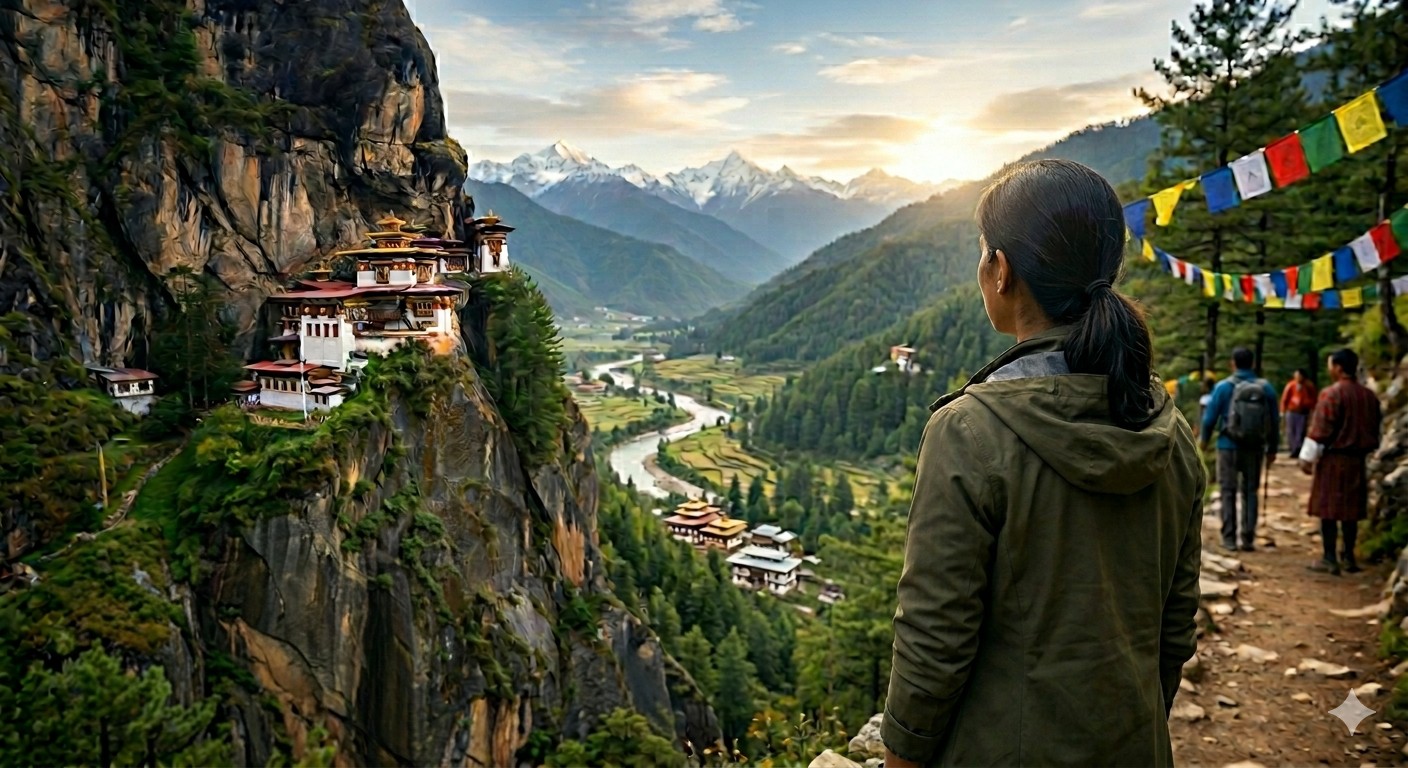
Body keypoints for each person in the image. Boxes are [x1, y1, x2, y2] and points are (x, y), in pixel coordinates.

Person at [882, 160, 1204, 767]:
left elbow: (933, 638)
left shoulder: (970, 432)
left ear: (1000, 270)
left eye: (983, 253)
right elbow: (1175, 629)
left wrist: (901, 757)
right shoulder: (1169, 430)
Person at [1302, 349, 1382, 575]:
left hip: (1334, 459)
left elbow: (1321, 429)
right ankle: (1348, 556)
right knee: (1351, 511)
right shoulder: (1369, 396)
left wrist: (1307, 458)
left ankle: (1329, 558)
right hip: (1357, 460)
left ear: (1338, 367)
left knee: (1329, 509)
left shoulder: (1332, 394)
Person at [1199, 348, 1279, 552]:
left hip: (1228, 446)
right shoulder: (1266, 388)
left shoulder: (1223, 387)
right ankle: (1248, 538)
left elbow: (1209, 419)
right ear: (1252, 363)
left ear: (1232, 363)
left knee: (1228, 491)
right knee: (1250, 491)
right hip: (1255, 447)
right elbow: (1274, 422)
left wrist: (1204, 442)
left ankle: (1229, 538)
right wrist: (1272, 449)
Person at [1280, 368, 1318, 459]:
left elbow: (1314, 399)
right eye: (1296, 375)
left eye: (1299, 375)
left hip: (1303, 412)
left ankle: (1299, 449)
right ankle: (1293, 449)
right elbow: (1285, 399)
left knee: (1300, 432)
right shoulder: (1291, 385)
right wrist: (1282, 411)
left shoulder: (1309, 386)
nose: (1297, 377)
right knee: (1291, 431)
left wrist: (1312, 410)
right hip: (1292, 411)